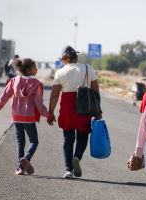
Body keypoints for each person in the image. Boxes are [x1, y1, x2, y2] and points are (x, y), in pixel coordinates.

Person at [0, 58, 54, 175]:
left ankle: (20, 168)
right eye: (35, 68)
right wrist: (48, 115)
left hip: (16, 117)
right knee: (34, 141)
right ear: (29, 70)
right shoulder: (36, 84)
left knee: (20, 142)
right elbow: (39, 105)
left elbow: (3, 98)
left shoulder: (14, 81)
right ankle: (27, 158)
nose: (37, 70)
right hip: (28, 117)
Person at [47, 45, 101, 179]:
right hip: (84, 106)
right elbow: (95, 90)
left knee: (68, 138)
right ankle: (76, 157)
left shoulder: (60, 72)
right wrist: (98, 109)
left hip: (67, 107)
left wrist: (51, 112)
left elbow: (54, 95)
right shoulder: (88, 68)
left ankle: (68, 170)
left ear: (63, 59)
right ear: (76, 57)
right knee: (82, 137)